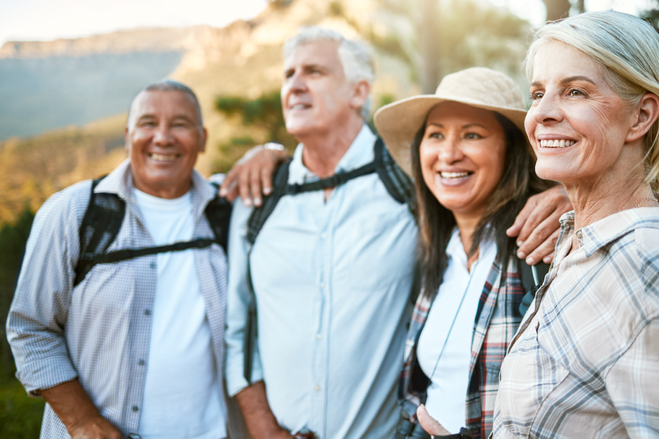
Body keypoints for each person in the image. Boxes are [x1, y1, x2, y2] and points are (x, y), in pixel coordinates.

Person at [223, 27, 571, 439]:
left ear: (359, 92)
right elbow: (237, 331)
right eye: (288, 74)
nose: (295, 85)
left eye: (314, 72)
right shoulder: (257, 197)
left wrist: (569, 193)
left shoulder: (533, 240)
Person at [493, 11, 659, 438]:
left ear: (640, 117)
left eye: (575, 91)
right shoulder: (577, 246)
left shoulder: (658, 277)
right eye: (538, 93)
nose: (541, 113)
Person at [7, 80, 245, 439]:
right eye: (149, 123)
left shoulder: (231, 211)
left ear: (203, 138)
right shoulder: (73, 213)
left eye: (179, 124)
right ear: (127, 134)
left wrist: (270, 150)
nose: (163, 138)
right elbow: (30, 328)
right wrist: (82, 421)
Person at [373, 67, 551, 439]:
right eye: (436, 135)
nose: (449, 154)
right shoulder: (437, 256)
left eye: (472, 134)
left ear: (512, 149)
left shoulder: (544, 248)